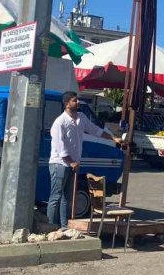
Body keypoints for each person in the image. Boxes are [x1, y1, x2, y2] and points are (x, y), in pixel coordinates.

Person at [49, 91, 123, 228]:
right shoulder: (60, 122)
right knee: (56, 196)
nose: (78, 103)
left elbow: (96, 130)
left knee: (67, 197)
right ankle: (50, 226)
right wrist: (71, 162)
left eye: (77, 100)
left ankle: (64, 226)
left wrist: (113, 138)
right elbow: (59, 146)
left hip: (72, 164)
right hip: (59, 164)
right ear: (66, 104)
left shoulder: (81, 117)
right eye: (74, 100)